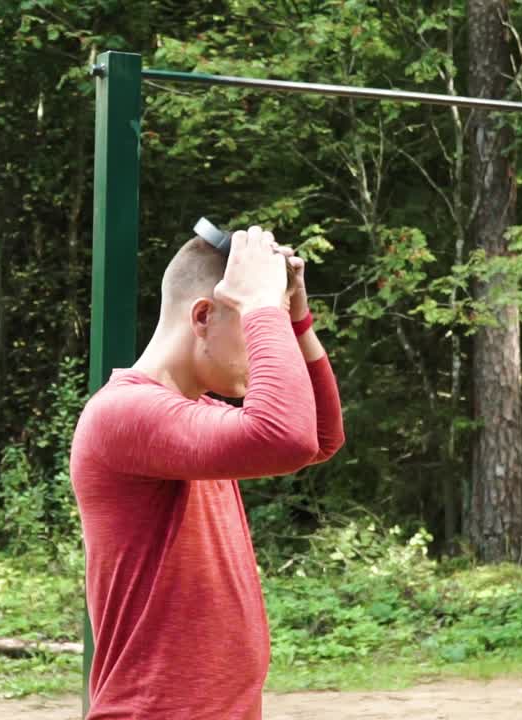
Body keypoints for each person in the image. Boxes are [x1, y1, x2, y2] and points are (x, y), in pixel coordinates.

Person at [70, 225, 345, 719]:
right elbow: (286, 436)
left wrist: (295, 318)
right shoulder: (124, 413)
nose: (268, 347)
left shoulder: (194, 412)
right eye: (259, 328)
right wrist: (261, 302)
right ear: (202, 316)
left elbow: (320, 436)